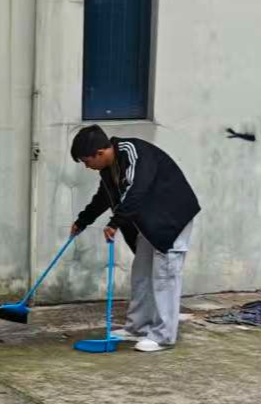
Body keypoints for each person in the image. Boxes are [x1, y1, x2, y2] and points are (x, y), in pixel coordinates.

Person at [69, 125, 199, 353]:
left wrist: (115, 223)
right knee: (142, 273)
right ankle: (138, 327)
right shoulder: (108, 168)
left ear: (100, 153)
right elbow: (105, 197)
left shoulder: (133, 152)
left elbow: (136, 190)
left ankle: (163, 336)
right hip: (150, 221)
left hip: (172, 217)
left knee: (165, 275)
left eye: (86, 161)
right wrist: (83, 221)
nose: (87, 166)